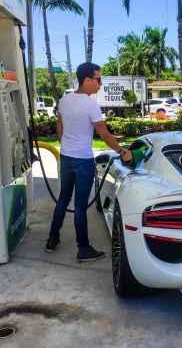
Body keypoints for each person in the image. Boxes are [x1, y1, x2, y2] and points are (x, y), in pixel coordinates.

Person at [45, 62, 134, 262]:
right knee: (79, 205)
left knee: (63, 199)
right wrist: (122, 151)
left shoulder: (65, 100)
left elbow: (59, 129)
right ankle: (83, 249)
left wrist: (67, 145)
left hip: (66, 157)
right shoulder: (90, 104)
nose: (100, 84)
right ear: (87, 80)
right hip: (83, 160)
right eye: (98, 79)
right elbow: (103, 133)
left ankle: (52, 239)